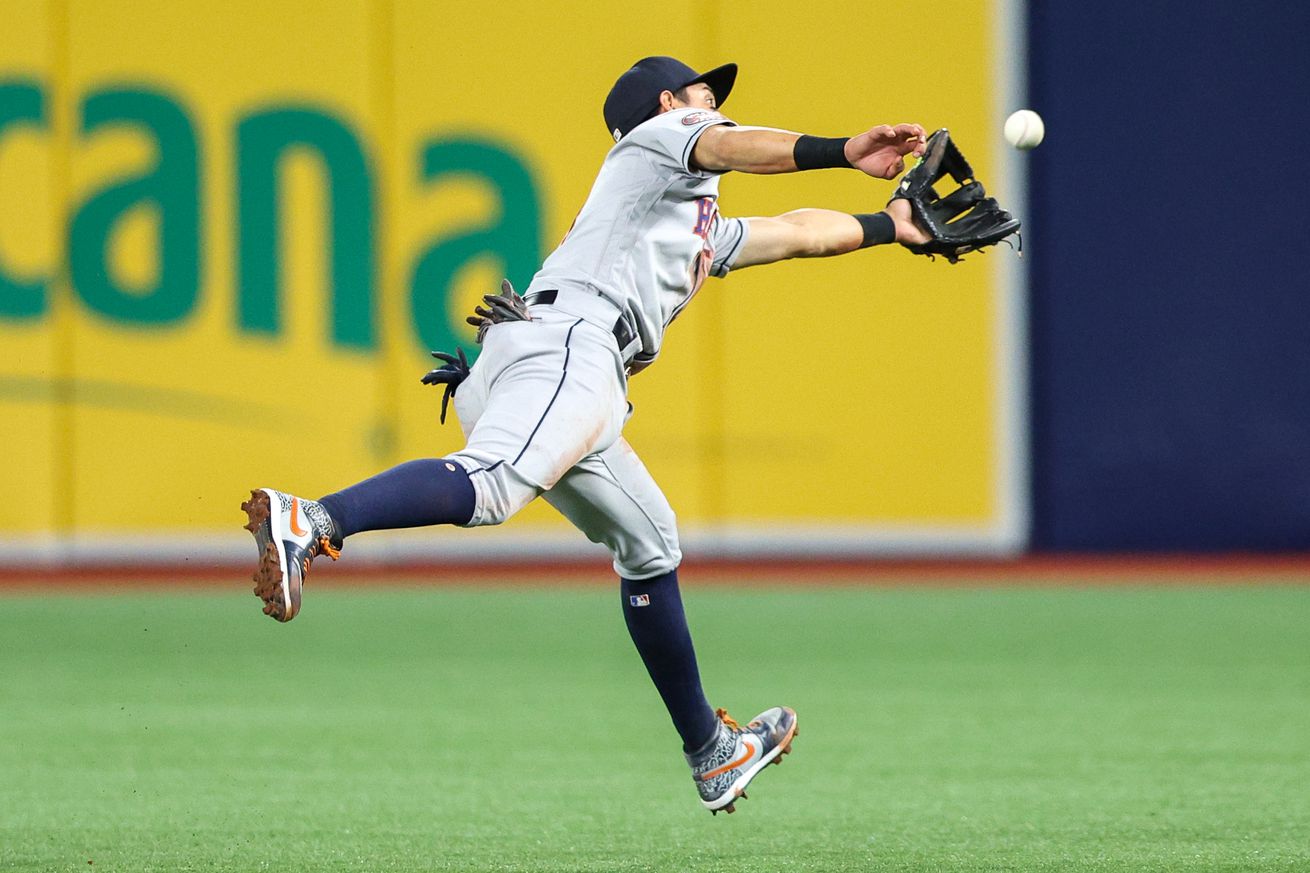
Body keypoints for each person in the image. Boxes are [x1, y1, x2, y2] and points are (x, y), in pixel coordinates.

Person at [242, 55, 929, 815]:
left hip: (562, 359)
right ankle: (311, 519)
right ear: (670, 103)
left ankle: (712, 750)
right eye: (706, 93)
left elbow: (797, 231)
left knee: (651, 544)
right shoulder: (657, 140)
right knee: (494, 484)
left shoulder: (680, 217)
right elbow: (735, 146)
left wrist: (889, 227)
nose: (716, 103)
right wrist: (842, 149)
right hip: (572, 345)